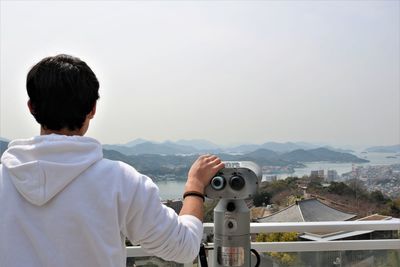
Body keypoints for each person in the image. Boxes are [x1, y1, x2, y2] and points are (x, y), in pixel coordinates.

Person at [0, 54, 224, 266]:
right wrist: (195, 187)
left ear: (31, 107)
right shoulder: (122, 182)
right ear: (92, 109)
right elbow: (183, 247)